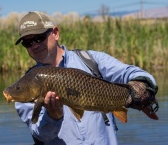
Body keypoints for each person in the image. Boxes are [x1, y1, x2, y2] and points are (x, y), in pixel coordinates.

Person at [14, 11, 158, 145]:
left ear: (56, 33)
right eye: (27, 42)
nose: (35, 45)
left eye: (39, 38)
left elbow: (137, 74)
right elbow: (40, 135)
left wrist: (139, 91)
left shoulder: (91, 60)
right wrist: (54, 116)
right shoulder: (26, 87)